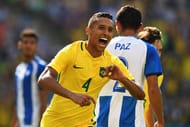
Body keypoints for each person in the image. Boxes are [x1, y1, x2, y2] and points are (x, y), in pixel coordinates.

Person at [37, 12, 145, 127]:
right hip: (55, 122)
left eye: (110, 30)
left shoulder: (112, 61)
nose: (106, 33)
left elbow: (140, 95)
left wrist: (122, 78)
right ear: (88, 31)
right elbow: (43, 80)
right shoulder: (72, 51)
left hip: (85, 123)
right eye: (101, 28)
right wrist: (72, 95)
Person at [95, 5, 164, 127]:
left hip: (102, 119)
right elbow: (153, 89)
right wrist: (160, 120)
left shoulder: (102, 47)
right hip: (132, 121)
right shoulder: (148, 50)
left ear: (117, 25)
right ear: (140, 28)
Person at [11, 28, 47, 127]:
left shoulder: (41, 66)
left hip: (34, 123)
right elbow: (18, 99)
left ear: (36, 46)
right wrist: (14, 122)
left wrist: (41, 123)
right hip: (21, 123)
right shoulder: (19, 69)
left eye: (32, 43)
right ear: (20, 45)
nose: (28, 45)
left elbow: (43, 99)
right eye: (25, 42)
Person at [138, 26, 163, 127]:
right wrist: (161, 121)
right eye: (154, 50)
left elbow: (147, 108)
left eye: (160, 50)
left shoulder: (158, 76)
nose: (157, 54)